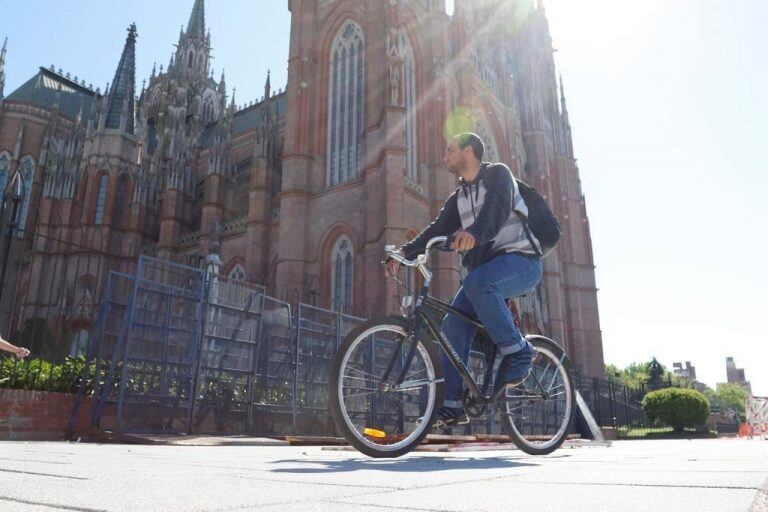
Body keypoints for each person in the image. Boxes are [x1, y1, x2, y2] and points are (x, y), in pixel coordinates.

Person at [386, 132, 543, 427]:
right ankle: (453, 404)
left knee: (476, 283)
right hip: (488, 273)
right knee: (452, 325)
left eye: (450, 150)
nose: (444, 155)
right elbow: (436, 229)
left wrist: (474, 234)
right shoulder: (459, 197)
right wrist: (404, 252)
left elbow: (494, 212)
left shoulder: (498, 175)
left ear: (469, 152)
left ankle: (520, 351)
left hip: (523, 263)